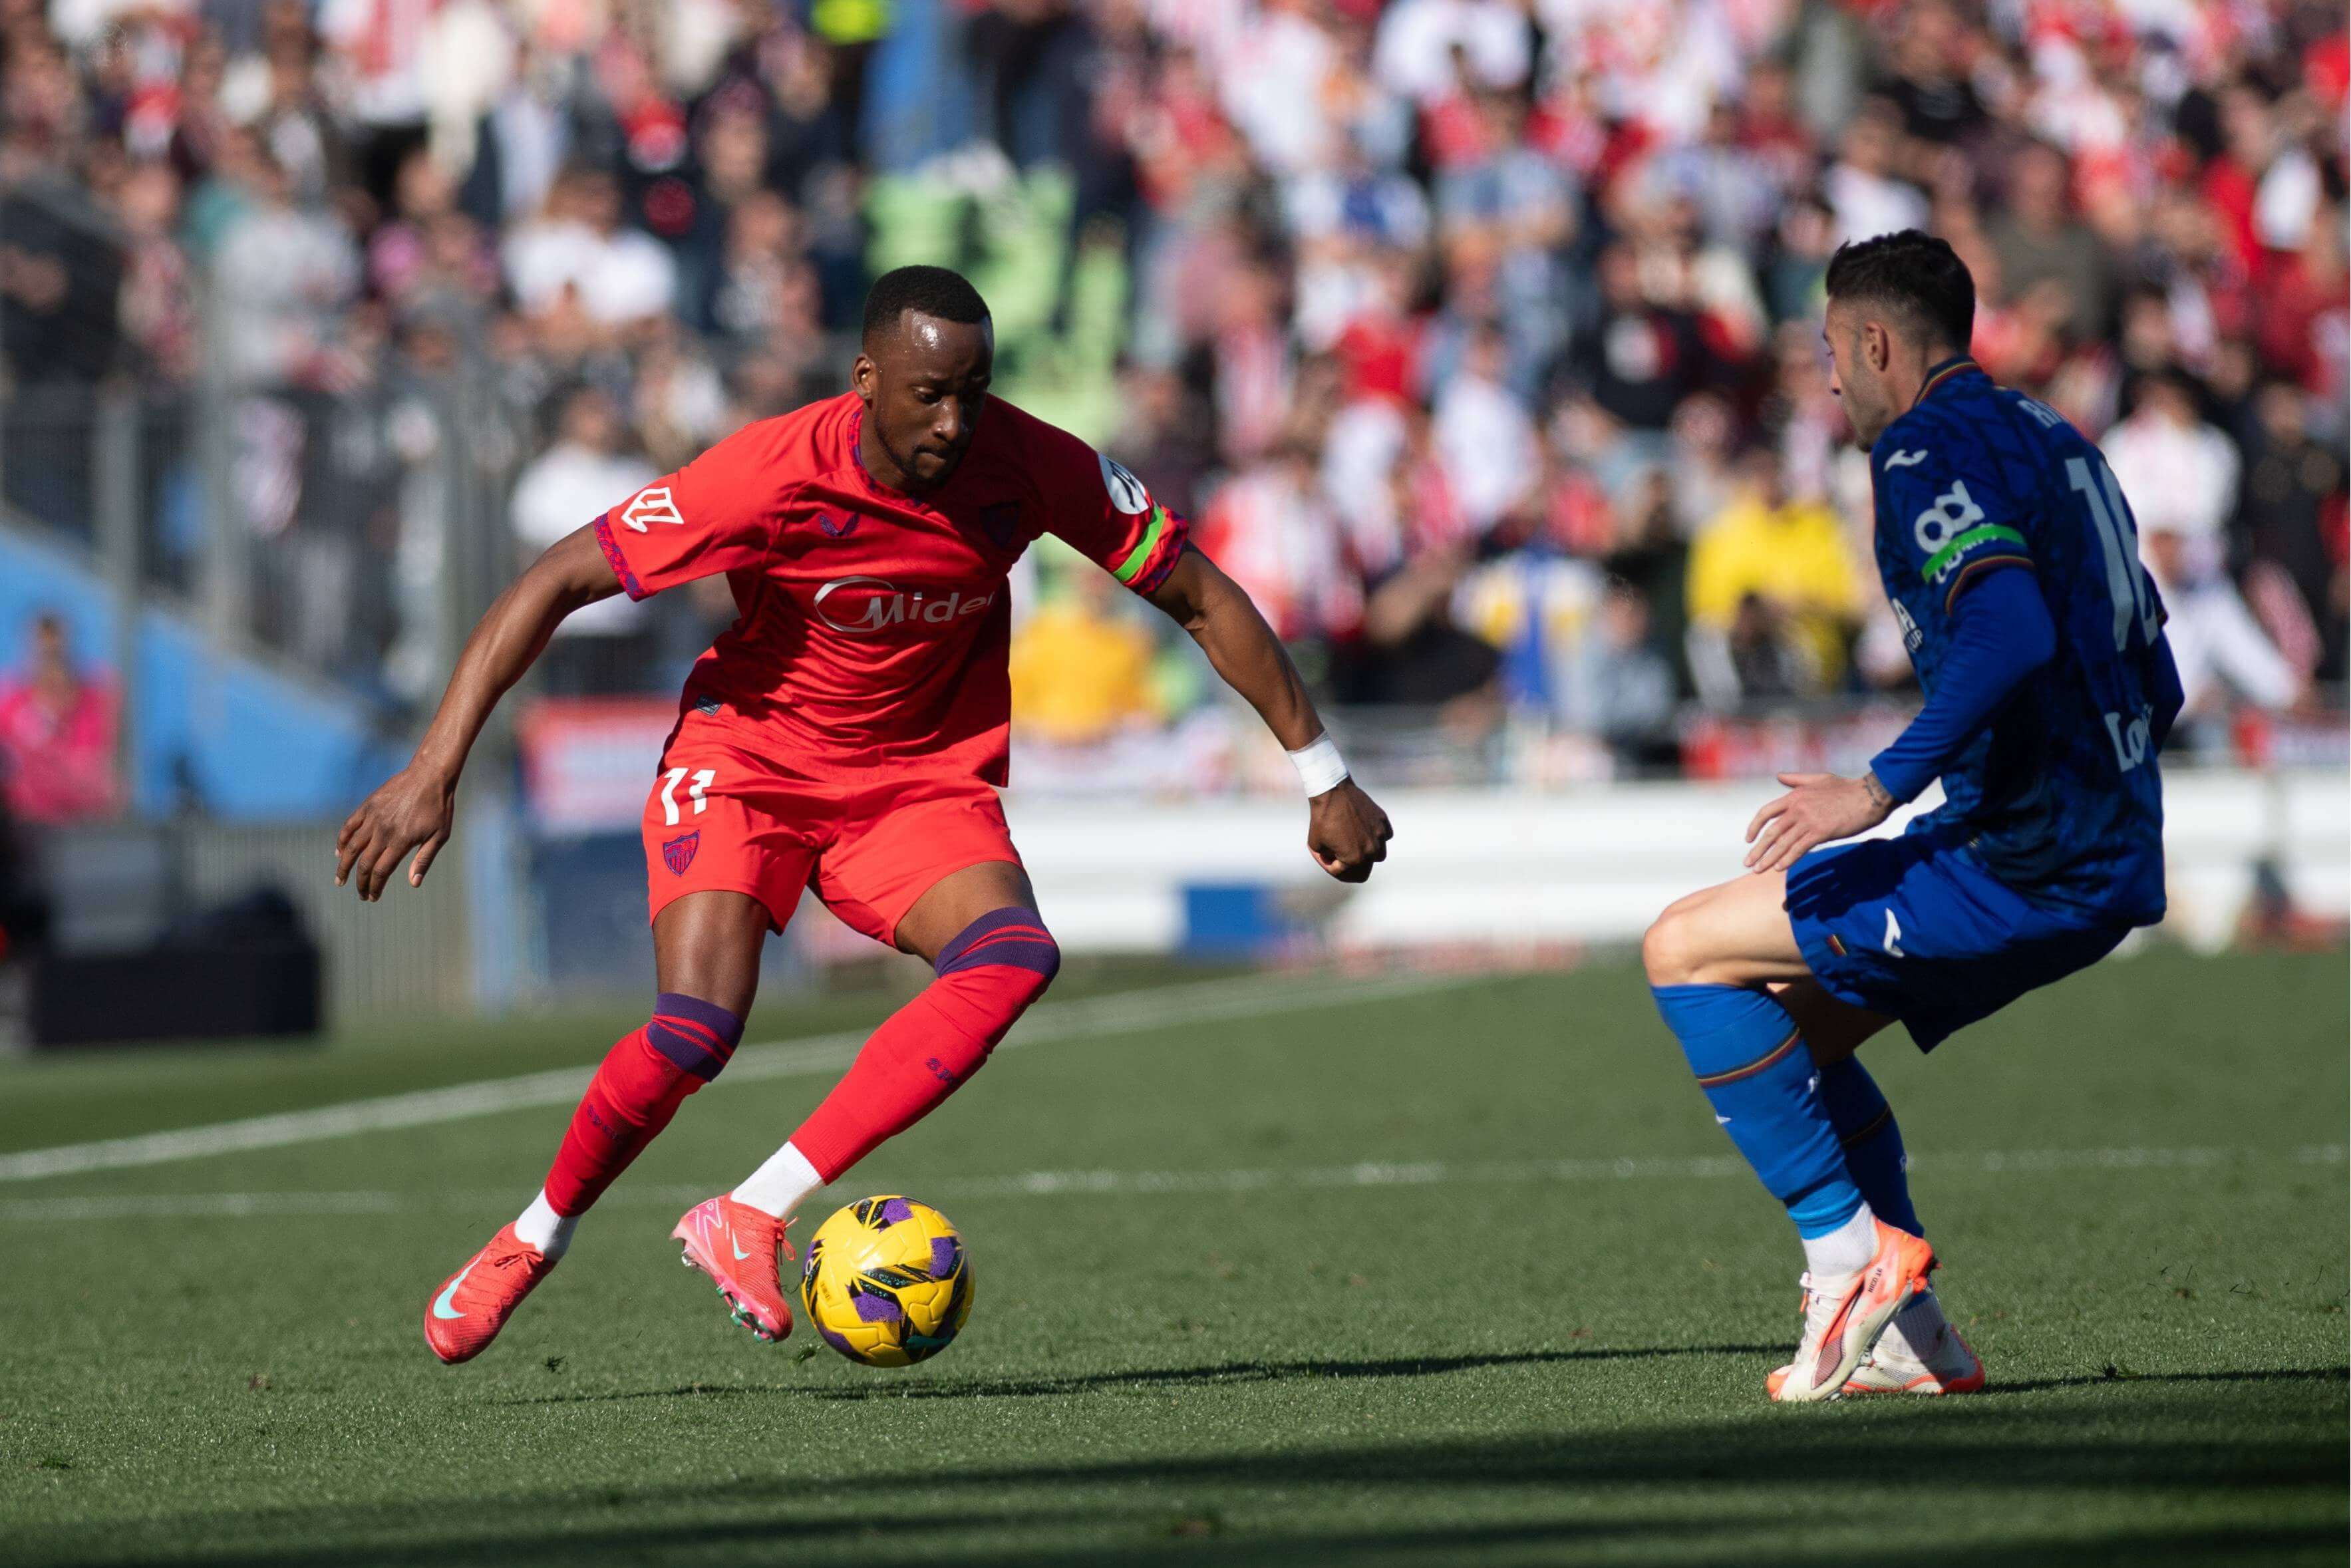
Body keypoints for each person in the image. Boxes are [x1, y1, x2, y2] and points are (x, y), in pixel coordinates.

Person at [337, 266, 1394, 1364]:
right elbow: (554, 579)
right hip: (747, 759)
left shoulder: (1029, 463)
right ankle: (534, 1235)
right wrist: (434, 767)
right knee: (697, 1029)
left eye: (973, 391)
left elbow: (1199, 595)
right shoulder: (767, 472)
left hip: (910, 781)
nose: (953, 420)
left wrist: (1320, 772)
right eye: (929, 392)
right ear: (866, 378)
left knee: (1013, 955)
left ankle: (749, 1209)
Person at [1639, 232, 2183, 1403]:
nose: (1828, 379)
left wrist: (1873, 787)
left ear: (1876, 343)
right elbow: (2154, 659)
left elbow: (2008, 630)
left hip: (2024, 857)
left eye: (1832, 351)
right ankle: (1908, 1337)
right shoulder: (2053, 438)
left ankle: (1846, 1261)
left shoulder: (1919, 449)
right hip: (2100, 840)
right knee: (1797, 1036)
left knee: (1679, 949)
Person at [0, 613, 120, 825]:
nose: (51, 662)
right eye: (44, 653)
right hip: (24, 829)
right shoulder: (10, 706)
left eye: (57, 653)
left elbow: (91, 776)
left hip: (81, 828)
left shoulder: (93, 702)